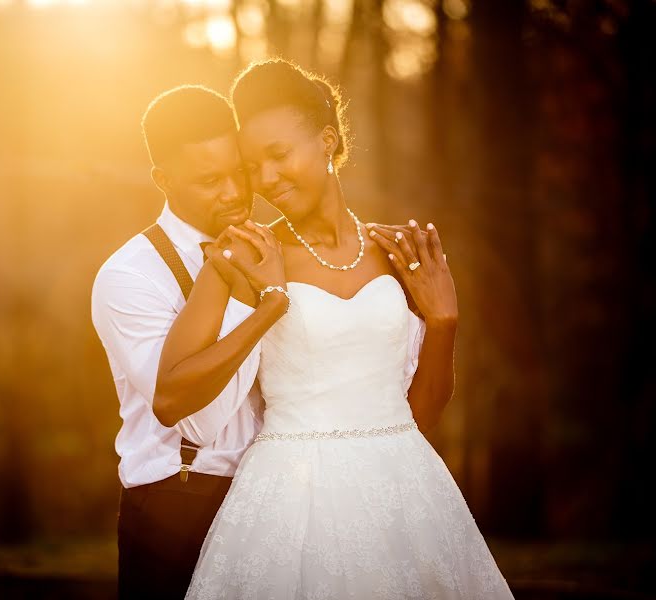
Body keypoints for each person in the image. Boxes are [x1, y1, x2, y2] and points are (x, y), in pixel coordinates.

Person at [157, 59, 515, 598]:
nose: (267, 179)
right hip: (291, 499)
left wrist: (444, 322)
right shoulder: (245, 254)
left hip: (407, 496)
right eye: (254, 166)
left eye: (279, 155)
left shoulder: (395, 253)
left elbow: (421, 416)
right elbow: (169, 397)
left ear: (327, 141)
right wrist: (269, 304)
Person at [90, 85, 268, 600]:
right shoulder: (129, 275)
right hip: (179, 502)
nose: (234, 192)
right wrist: (250, 297)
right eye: (210, 181)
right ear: (163, 181)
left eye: (240, 171)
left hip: (275, 497)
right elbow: (193, 417)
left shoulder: (274, 247)